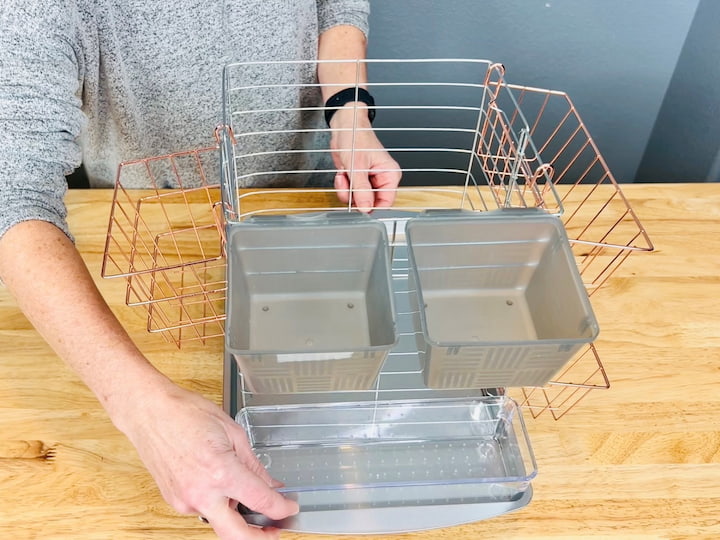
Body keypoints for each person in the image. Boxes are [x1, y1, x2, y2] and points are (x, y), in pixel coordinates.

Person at [0, 1, 401, 539]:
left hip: (302, 195)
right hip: (159, 232)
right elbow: (12, 192)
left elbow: (339, 6)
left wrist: (349, 114)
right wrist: (145, 412)